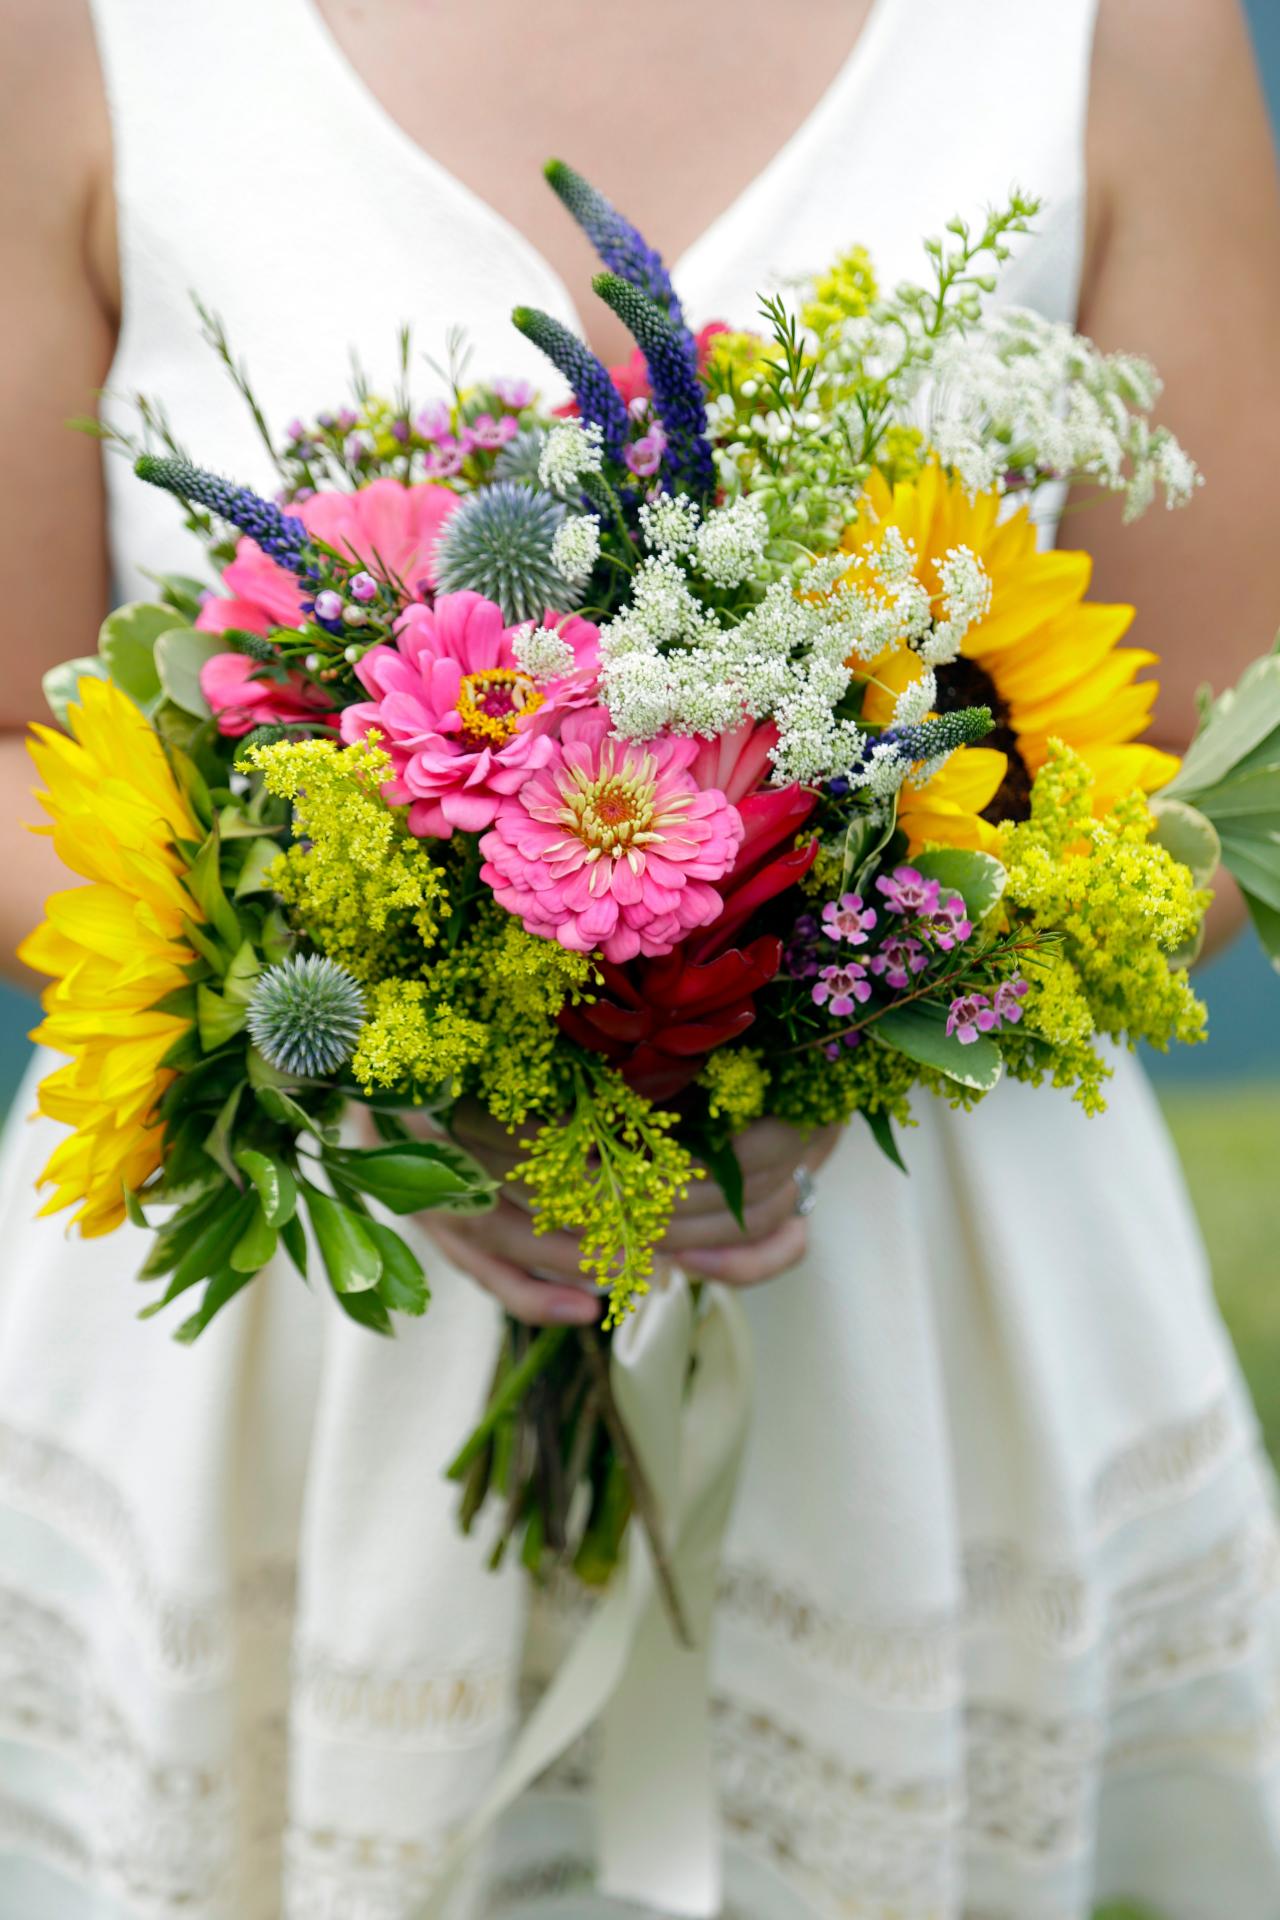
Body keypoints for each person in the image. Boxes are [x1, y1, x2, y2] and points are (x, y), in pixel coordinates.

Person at [1, 1, 1278, 1915]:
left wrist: (849, 1000)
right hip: (292, 1341)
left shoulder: (1114, 32)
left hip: (921, 1330)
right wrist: (377, 1044)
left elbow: (1208, 752)